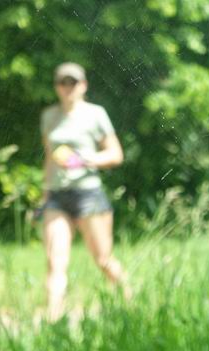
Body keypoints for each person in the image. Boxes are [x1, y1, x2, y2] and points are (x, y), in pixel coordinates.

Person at [38, 62, 129, 320]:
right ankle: (52, 321)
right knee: (55, 262)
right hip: (57, 196)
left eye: (73, 82)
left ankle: (132, 302)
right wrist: (44, 196)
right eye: (62, 82)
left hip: (89, 195)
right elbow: (48, 158)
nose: (67, 88)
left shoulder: (95, 114)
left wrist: (86, 159)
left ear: (83, 86)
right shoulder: (49, 116)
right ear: (56, 86)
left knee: (103, 260)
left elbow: (116, 155)